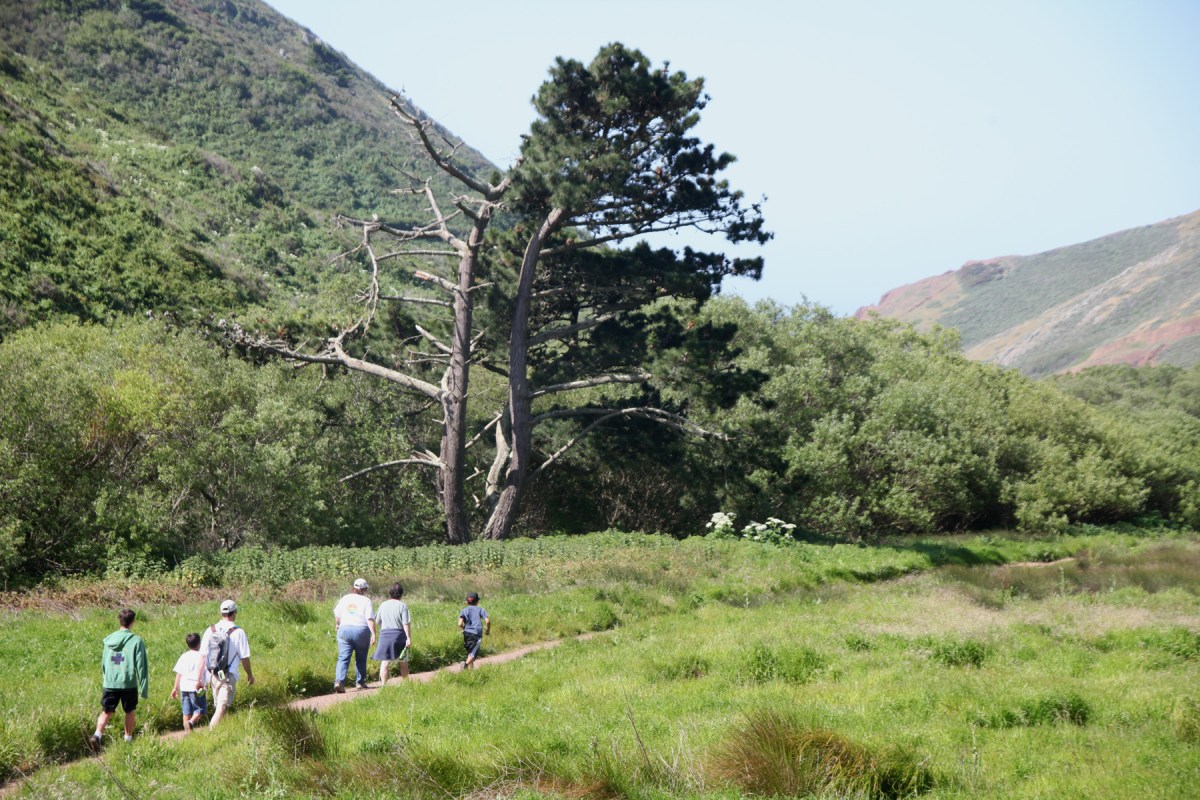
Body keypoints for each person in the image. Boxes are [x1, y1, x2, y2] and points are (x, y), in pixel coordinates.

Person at [89, 609, 149, 751]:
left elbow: (104, 662)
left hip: (110, 682)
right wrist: (144, 688)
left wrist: (106, 678)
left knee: (106, 711)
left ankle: (97, 735)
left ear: (119, 621)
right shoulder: (136, 641)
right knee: (130, 710)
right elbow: (141, 666)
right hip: (128, 683)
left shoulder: (109, 640)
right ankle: (128, 740)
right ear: (133, 622)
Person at [198, 599, 254, 729]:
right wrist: (250, 675)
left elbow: (203, 657)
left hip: (212, 675)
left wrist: (200, 679)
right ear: (235, 612)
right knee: (221, 707)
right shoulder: (238, 632)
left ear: (221, 613)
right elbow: (245, 658)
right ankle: (211, 733)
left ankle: (222, 732)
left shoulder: (210, 630)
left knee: (219, 705)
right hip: (228, 675)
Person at [333, 578, 376, 692]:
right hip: (361, 630)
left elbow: (337, 615)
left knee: (343, 657)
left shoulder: (345, 598)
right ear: (364, 589)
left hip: (344, 629)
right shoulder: (366, 600)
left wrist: (338, 624)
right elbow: (369, 618)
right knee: (361, 657)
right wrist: (373, 633)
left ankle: (339, 681)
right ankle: (360, 682)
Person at [372, 582, 412, 684]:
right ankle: (406, 683)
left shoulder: (383, 605)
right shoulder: (403, 606)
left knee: (385, 662)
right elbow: (405, 623)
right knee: (403, 661)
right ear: (401, 594)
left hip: (385, 635)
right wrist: (408, 638)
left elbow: (377, 620)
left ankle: (384, 685)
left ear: (390, 593)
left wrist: (384, 628)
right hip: (399, 635)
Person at [170, 632, 207, 732]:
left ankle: (187, 732)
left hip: (184, 687)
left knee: (186, 711)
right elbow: (205, 671)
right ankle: (190, 723)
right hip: (196, 687)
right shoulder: (202, 656)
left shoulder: (184, 656)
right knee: (200, 709)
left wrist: (175, 688)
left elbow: (179, 673)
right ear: (200, 643)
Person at [458, 591, 490, 669]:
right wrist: (488, 630)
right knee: (473, 653)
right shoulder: (481, 610)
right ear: (478, 601)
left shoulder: (464, 610)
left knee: (470, 651)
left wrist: (464, 628)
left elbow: (460, 623)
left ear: (466, 602)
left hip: (466, 633)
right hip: (476, 634)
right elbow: (488, 621)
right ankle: (465, 665)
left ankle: (471, 672)